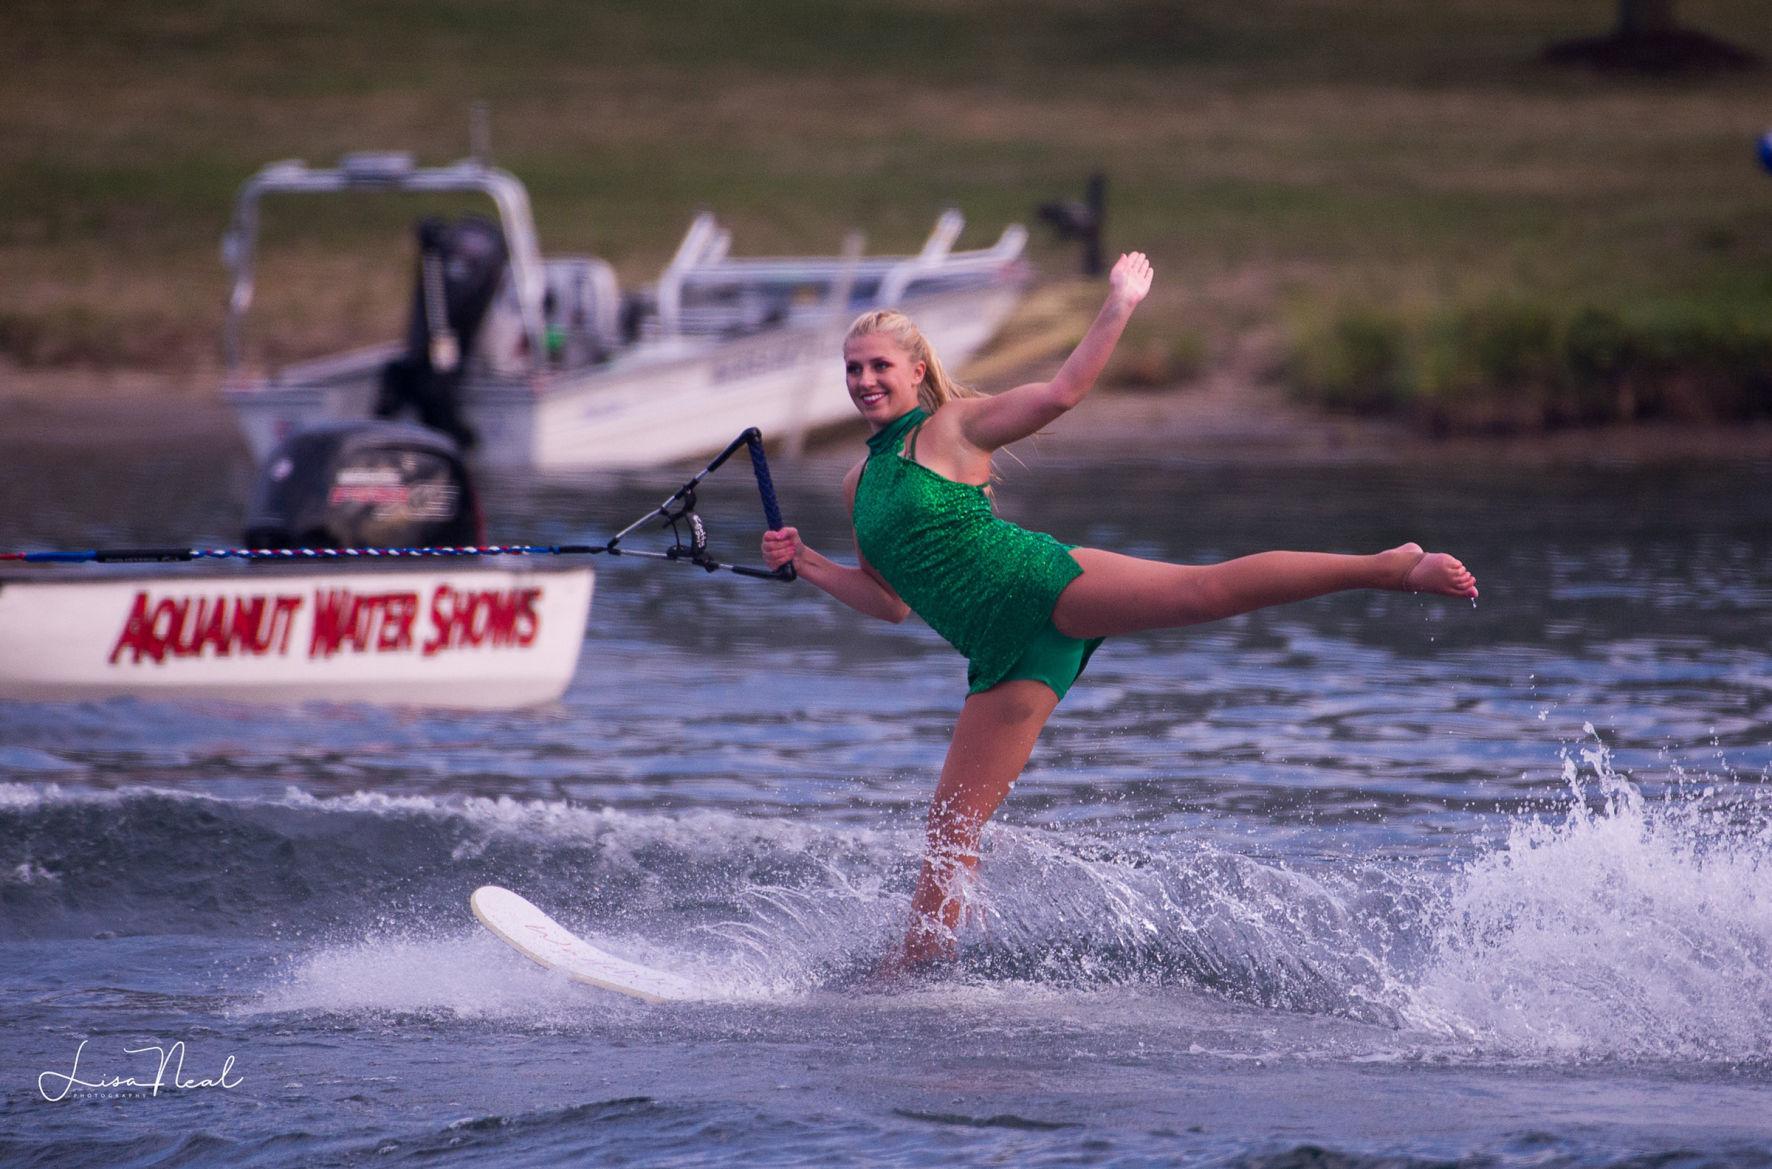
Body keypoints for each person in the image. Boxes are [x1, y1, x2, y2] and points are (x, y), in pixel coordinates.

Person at [760, 252, 1477, 972]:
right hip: (1004, 658)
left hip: (1044, 586)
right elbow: (889, 603)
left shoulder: (953, 429)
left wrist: (1121, 300)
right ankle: (917, 973)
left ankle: (1387, 567)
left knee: (1208, 590)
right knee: (951, 827)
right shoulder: (860, 484)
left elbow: (1066, 391)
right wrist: (812, 564)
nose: (864, 381)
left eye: (878, 365)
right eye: (853, 369)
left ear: (916, 371)